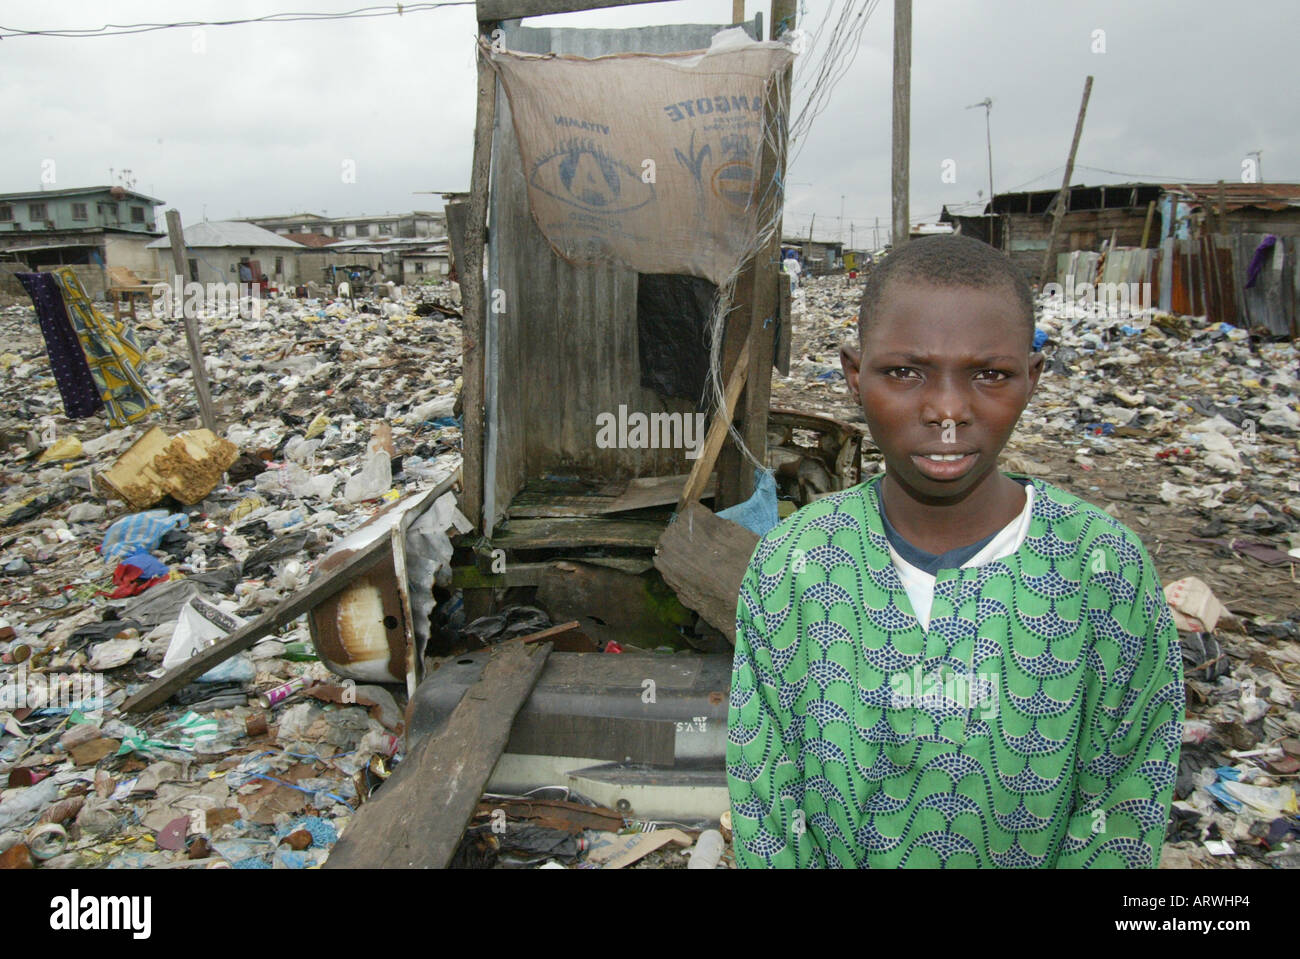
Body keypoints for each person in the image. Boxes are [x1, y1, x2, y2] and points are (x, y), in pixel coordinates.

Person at [726, 234, 1184, 868]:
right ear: (855, 376)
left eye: (989, 374)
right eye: (906, 372)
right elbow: (767, 804)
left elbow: (1124, 805)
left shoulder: (1101, 571)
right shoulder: (794, 564)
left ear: (1032, 378)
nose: (946, 411)